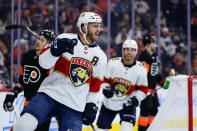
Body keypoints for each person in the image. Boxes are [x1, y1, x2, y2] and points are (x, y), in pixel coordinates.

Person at [13, 12, 107, 131]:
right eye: (95, 26)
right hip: (49, 95)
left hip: (74, 105)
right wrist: (54, 51)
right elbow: (43, 63)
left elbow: (94, 87)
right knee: (24, 125)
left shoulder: (101, 57)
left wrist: (91, 104)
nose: (99, 29)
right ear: (84, 27)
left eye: (99, 26)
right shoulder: (64, 38)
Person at [3, 29, 56, 131]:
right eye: (38, 39)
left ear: (50, 44)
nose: (38, 42)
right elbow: (22, 80)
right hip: (29, 104)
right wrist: (13, 93)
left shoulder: (52, 62)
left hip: (45, 107)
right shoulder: (28, 56)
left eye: (42, 40)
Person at [96, 39, 149, 131]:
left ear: (136, 52)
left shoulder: (141, 69)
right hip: (109, 103)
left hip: (127, 105)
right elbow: (105, 80)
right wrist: (106, 89)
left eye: (132, 50)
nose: (129, 52)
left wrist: (136, 98)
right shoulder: (113, 63)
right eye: (127, 49)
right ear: (122, 50)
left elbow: (143, 89)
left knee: (126, 128)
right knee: (101, 129)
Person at [137, 35, 166, 131]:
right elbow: (142, 75)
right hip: (146, 91)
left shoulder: (155, 56)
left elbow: (155, 73)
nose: (156, 45)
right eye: (153, 43)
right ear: (147, 45)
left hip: (153, 90)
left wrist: (162, 82)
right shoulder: (143, 57)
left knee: (154, 111)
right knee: (145, 112)